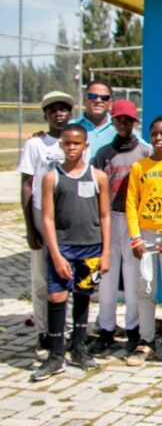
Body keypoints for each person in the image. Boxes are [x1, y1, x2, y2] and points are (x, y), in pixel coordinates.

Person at [33, 124, 111, 380]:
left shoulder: (97, 176)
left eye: (77, 143)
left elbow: (105, 215)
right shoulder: (51, 177)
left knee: (84, 294)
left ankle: (79, 347)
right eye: (67, 143)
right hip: (63, 248)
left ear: (85, 146)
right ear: (61, 145)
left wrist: (106, 252)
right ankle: (56, 354)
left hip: (91, 249)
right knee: (56, 297)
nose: (72, 148)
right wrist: (55, 255)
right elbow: (47, 219)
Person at [89, 99, 151, 357]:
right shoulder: (104, 153)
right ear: (113, 121)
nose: (123, 124)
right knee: (107, 276)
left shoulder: (145, 151)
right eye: (118, 120)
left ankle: (134, 328)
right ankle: (106, 328)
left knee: (134, 274)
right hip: (109, 218)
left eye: (128, 120)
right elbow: (94, 189)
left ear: (135, 121)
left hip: (135, 219)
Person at [125, 116, 162, 367]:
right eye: (155, 133)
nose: (159, 138)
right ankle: (146, 341)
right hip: (145, 236)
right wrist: (136, 237)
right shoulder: (139, 167)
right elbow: (130, 203)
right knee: (146, 290)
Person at [19, 91, 74, 360]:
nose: (58, 113)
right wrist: (30, 226)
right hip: (43, 216)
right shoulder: (36, 145)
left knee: (70, 276)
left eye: (63, 108)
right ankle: (44, 333)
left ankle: (68, 331)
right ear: (45, 115)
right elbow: (27, 185)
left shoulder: (76, 141)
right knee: (41, 279)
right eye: (53, 110)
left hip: (70, 218)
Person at [74, 80, 115, 160]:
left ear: (110, 103)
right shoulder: (70, 127)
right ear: (84, 99)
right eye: (92, 96)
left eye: (104, 97)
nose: (98, 100)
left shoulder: (121, 128)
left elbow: (144, 150)